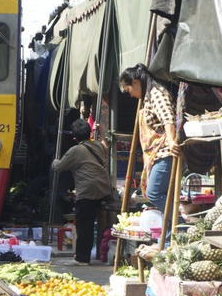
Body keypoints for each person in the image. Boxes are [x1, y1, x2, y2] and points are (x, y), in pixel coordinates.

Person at [119, 64, 181, 240]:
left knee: (154, 193)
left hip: (166, 152)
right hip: (158, 153)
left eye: (128, 88)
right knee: (162, 195)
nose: (130, 94)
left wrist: (170, 139)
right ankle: (169, 239)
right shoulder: (147, 96)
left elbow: (168, 117)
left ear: (136, 82)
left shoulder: (156, 93)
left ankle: (182, 226)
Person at [52, 118, 113, 265]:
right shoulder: (97, 145)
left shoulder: (75, 150)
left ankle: (82, 258)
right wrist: (102, 133)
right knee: (91, 222)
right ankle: (94, 253)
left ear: (74, 137)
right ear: (89, 133)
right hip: (104, 188)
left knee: (84, 225)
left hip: (88, 191)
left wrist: (54, 161)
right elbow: (106, 145)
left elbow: (59, 167)